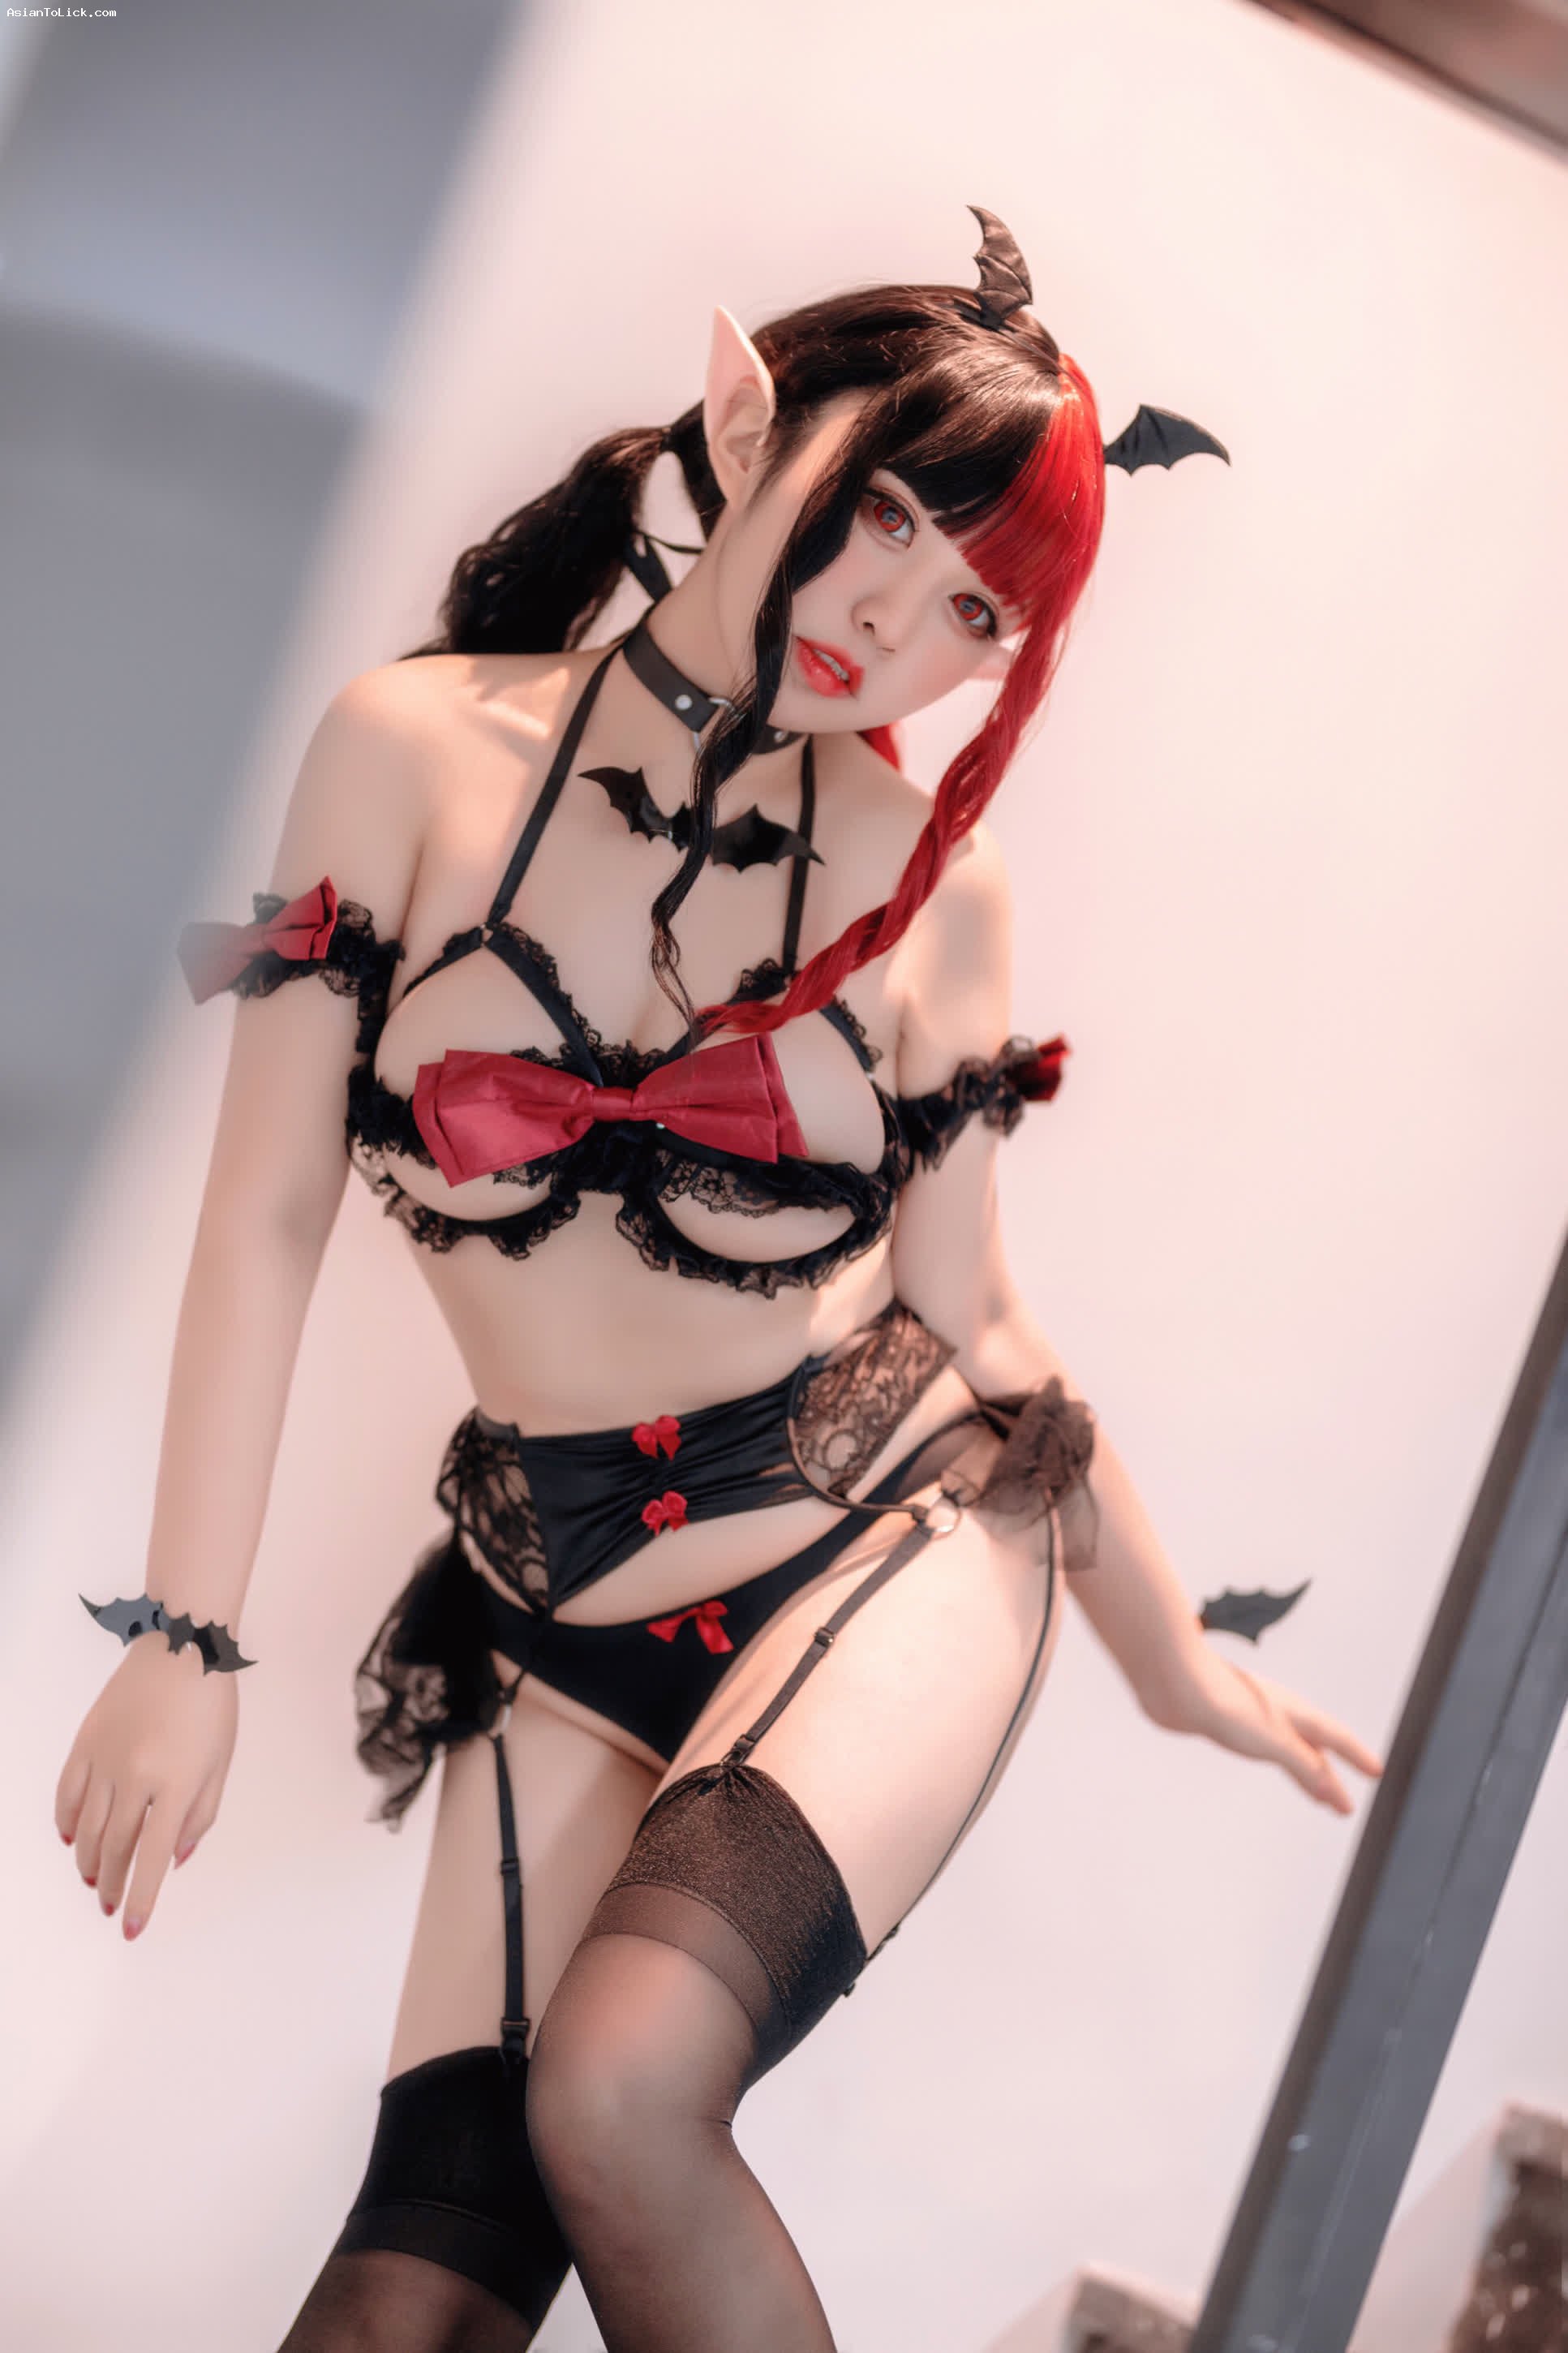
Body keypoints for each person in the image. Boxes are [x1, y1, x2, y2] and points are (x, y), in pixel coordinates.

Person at [56, 212, 1383, 2352]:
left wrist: (1172, 1660)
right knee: (401, 2300)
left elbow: (980, 1316)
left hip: (887, 1541)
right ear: (748, 418)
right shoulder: (407, 752)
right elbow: (267, 1208)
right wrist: (186, 1635)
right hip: (556, 1600)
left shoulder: (937, 890)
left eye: (975, 610)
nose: (892, 619)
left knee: (623, 2090)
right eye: (884, 518)